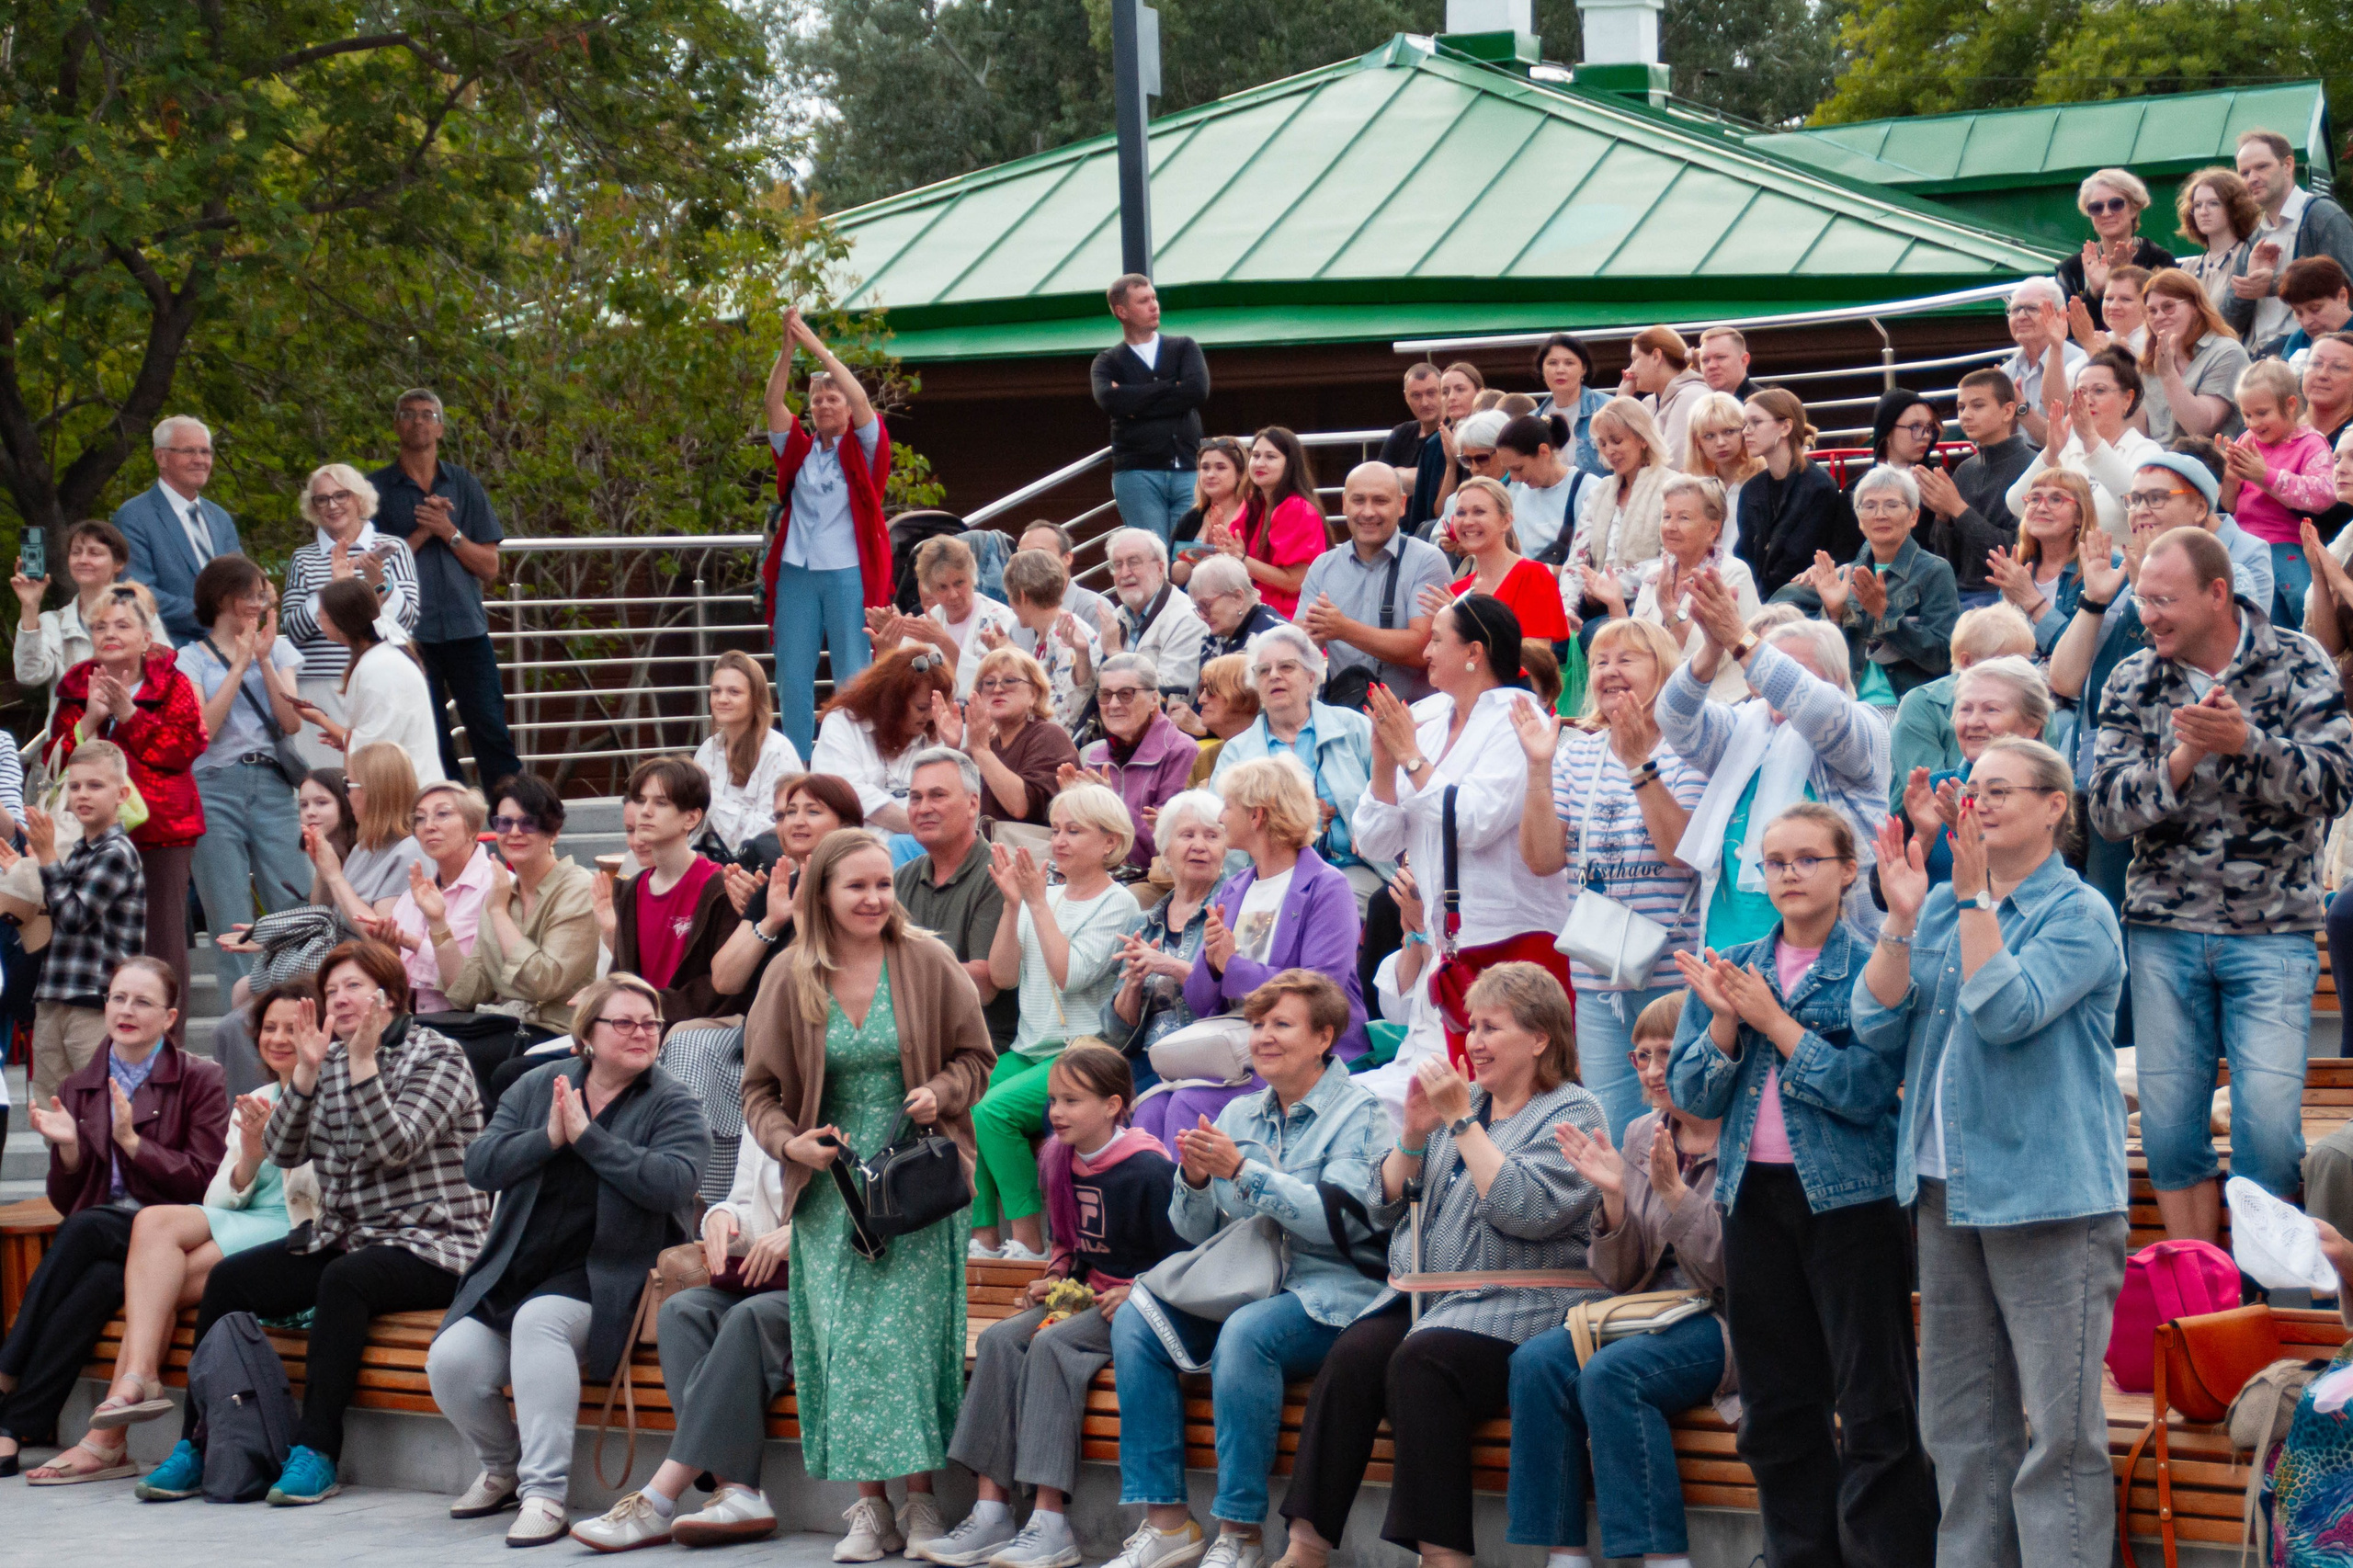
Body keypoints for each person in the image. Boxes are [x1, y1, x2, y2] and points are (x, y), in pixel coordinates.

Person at [1861, 739, 2127, 1567]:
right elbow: (1875, 1026)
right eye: (1972, 789)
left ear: (2056, 805)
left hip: (2050, 1199)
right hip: (1945, 1192)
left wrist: (1972, 900)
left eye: (2002, 789)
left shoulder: (2078, 914)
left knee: (2058, 1441)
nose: (1980, 802)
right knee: (1962, 1431)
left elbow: (2006, 1011)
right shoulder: (1943, 905)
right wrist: (1903, 919)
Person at [1665, 803, 1934, 1566]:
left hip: (1852, 1204)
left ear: (1850, 870)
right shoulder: (1735, 962)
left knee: (1875, 1402)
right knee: (1777, 1407)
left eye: (1808, 858)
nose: (1788, 873)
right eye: (1775, 860)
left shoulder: (1871, 962)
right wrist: (1723, 1023)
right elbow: (1692, 1096)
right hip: (1753, 1199)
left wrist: (1774, 1023)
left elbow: (1863, 1090)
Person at [138, 940, 489, 1506]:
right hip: (349, 1236)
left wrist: (364, 1063)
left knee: (345, 1279)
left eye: (354, 986)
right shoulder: (326, 1059)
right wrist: (303, 1073)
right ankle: (200, 1442)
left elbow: (394, 1146)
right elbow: (282, 1148)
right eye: (331, 991)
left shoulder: (437, 1056)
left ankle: (317, 1450)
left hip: (438, 1243)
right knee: (230, 1281)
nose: (340, 999)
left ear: (392, 995)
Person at [1277, 964, 1606, 1568]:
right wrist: (1411, 1134)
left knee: (1421, 1363)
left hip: (1522, 1304)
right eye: (1470, 1026)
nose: (1473, 1041)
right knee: (1352, 1356)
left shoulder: (1574, 1110)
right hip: (1428, 1296)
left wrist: (1459, 1123)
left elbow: (1524, 1210)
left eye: (1491, 1028)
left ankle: (1445, 1558)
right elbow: (1383, 1204)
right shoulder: (1466, 1100)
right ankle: (1306, 1547)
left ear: (1539, 1039)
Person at [2088, 526, 2353, 1238]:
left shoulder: (2300, 663)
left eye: (2165, 599)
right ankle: (2200, 1309)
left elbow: (2336, 784)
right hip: (2163, 932)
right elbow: (2107, 809)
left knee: (2268, 1140)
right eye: (2143, 600)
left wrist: (2246, 746)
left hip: (2273, 932)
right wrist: (2179, 760)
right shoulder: (2133, 677)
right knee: (2172, 1139)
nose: (2150, 616)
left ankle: (2258, 1312)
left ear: (2217, 593)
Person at [740, 828, 996, 1561]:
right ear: (821, 892)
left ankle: (920, 1506)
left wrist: (939, 1091)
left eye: (884, 884)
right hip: (832, 1191)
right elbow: (756, 1089)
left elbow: (978, 1058)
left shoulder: (927, 960)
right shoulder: (788, 974)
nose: (875, 898)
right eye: (857, 885)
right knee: (849, 1348)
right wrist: (789, 1144)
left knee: (910, 1346)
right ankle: (868, 1508)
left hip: (916, 1184)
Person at [1101, 970, 1387, 1568]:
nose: (1263, 1037)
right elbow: (1196, 1231)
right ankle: (1168, 1523)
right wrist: (1197, 1180)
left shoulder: (1363, 1113)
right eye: (1257, 1025)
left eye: (1281, 1024)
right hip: (1242, 1285)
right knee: (1136, 1322)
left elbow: (1344, 1223)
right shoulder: (1236, 1117)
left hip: (1330, 1293)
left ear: (1324, 1037)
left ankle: (1239, 1533)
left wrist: (1243, 1173)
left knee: (1247, 1333)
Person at [426, 976, 708, 1545]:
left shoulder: (672, 1100)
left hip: (612, 1276)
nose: (642, 1033)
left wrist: (591, 1140)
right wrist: (550, 1138)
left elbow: (676, 1183)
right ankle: (503, 1466)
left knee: (540, 1322)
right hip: (518, 1267)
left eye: (650, 1023)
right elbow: (481, 1164)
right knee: (451, 1361)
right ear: (587, 1035)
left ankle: (545, 1495)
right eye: (624, 1022)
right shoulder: (538, 1088)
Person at [925, 1045, 1189, 1568]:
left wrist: (1137, 1290)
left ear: (1114, 1104)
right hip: (1090, 1297)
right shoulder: (1057, 1158)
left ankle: (1049, 1521)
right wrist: (1054, 1276)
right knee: (999, 1339)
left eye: (1071, 1100)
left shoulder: (1150, 1169)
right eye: (1052, 1100)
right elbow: (1068, 1244)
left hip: (1139, 1308)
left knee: (1050, 1344)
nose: (1056, 1113)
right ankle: (991, 1510)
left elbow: (1183, 1259)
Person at [52, 983, 319, 1476]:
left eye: (293, 1028)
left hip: (297, 1227)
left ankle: (107, 1437)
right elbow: (219, 1196)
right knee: (153, 1223)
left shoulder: (334, 1094)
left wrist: (275, 1153)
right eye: (269, 1027)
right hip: (242, 1219)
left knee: (159, 1287)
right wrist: (252, 1156)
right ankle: (140, 1377)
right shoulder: (259, 1097)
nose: (279, 1038)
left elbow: (317, 1196)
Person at [1519, 990, 1732, 1568]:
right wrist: (1614, 1199)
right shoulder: (1641, 1132)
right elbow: (1620, 1278)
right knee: (1537, 1363)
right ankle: (1565, 1556)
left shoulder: (1741, 1132)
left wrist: (1673, 1195)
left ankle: (1662, 1560)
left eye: (1668, 1052)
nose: (1654, 1069)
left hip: (1726, 1319)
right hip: (1645, 1312)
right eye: (1641, 1056)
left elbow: (1732, 1272)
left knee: (1615, 1376)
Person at [0, 956, 223, 1479]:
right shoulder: (81, 1083)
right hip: (104, 1241)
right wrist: (71, 1152)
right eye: (118, 999)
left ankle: (6, 1369)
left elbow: (207, 1180)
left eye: (143, 1002)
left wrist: (132, 1144)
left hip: (171, 1231)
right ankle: (14, 1425)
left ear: (169, 1018)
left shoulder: (200, 1079)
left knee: (83, 1229)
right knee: (96, 1284)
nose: (127, 1011)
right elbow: (68, 1198)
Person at [1513, 617, 1705, 1138]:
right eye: (1600, 661)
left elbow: (1680, 853)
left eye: (1627, 659)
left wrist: (1639, 760)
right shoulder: (1578, 756)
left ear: (1663, 669)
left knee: (1681, 1117)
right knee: (1612, 1130)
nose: (1610, 672)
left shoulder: (1691, 749)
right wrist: (1539, 768)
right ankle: (1624, 1221)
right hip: (1598, 976)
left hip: (1672, 972)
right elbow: (1542, 859)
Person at [1357, 596, 1574, 1056]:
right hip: (1448, 949)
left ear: (1474, 652)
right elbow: (1375, 842)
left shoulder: (1520, 719)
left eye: (1437, 640)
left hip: (1512, 942)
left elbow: (1474, 821)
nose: (1426, 652)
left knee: (1500, 1100)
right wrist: (1383, 762)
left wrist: (1410, 758)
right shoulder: (1427, 719)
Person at [570, 1128, 794, 1552]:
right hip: (768, 1281)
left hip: (832, 1288)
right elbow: (747, 1204)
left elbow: (872, 1214)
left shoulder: (848, 1097)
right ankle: (737, 1490)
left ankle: (658, 1498)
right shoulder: (766, 1108)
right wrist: (722, 1218)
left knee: (746, 1319)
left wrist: (804, 1235)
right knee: (680, 1311)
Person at [1660, 585, 1891, 944]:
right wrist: (1713, 647)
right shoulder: (1745, 728)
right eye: (1763, 667)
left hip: (1831, 960)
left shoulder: (1863, 726)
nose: (1769, 680)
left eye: (1792, 668)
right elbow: (1673, 718)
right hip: (1729, 949)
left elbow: (1816, 707)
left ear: (1838, 679)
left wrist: (1741, 637)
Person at [973, 786, 1144, 1260]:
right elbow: (1004, 976)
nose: (1061, 841)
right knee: (967, 1098)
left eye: (1074, 830)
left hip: (1080, 1051)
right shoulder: (1039, 897)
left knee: (994, 1110)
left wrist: (1038, 905)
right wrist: (1014, 906)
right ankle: (984, 1235)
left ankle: (1029, 1240)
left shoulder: (1118, 902)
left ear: (1109, 843)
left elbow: (1069, 976)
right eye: (1056, 830)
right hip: (1030, 1048)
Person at [47, 584, 206, 1015]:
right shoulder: (77, 685)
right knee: (100, 941)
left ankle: (167, 1051)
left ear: (146, 637)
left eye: (122, 625)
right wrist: (90, 720)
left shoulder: (173, 682)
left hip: (162, 831)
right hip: (93, 833)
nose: (109, 634)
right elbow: (56, 761)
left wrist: (130, 716)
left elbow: (183, 750)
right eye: (99, 626)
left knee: (163, 942)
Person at [1181, 755, 1370, 1096]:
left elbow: (1321, 990)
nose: (1220, 817)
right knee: (1153, 1106)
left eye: (1227, 806)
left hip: (1302, 1056)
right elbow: (1196, 1001)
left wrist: (1232, 966)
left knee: (1188, 1103)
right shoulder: (1233, 887)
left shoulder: (1327, 886)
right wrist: (1211, 964)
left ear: (1256, 815)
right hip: (1237, 1049)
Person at [368, 388, 517, 789]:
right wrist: (421, 532)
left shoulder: (464, 484)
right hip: (408, 637)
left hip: (467, 630)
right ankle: (448, 823)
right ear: (396, 424)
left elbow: (489, 567)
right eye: (409, 414)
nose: (419, 421)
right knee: (428, 739)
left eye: (427, 414)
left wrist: (449, 533)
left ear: (441, 428)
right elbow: (369, 570)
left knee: (491, 732)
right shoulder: (373, 490)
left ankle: (514, 819)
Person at [758, 310, 887, 760]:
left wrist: (814, 345)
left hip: (847, 572)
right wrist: (787, 349)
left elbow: (861, 398)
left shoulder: (863, 447)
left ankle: (852, 761)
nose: (825, 405)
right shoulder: (800, 450)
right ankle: (797, 764)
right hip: (797, 571)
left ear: (848, 408)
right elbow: (773, 406)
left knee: (853, 673)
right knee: (793, 675)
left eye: (833, 399)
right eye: (817, 401)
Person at [178, 554, 312, 990]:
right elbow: (204, 730)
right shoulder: (190, 659)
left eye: (262, 595)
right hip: (214, 786)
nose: (258, 603)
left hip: (272, 784)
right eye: (249, 595)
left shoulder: (279, 648)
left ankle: (302, 1000)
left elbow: (291, 723)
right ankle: (242, 1016)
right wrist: (238, 664)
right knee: (229, 912)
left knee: (293, 901)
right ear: (223, 598)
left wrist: (266, 661)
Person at [1212, 625, 1382, 904]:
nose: (1274, 675)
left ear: (1311, 677)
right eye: (1264, 670)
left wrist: (1369, 826)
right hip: (1267, 876)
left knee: (1325, 901)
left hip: (1352, 869)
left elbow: (1389, 792)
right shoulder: (1237, 752)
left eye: (1287, 667)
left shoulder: (1353, 728)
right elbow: (1222, 826)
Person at [24, 743, 147, 1106]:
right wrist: (26, 871)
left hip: (95, 1001)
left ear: (121, 794)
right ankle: (65, 1165)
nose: (82, 795)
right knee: (53, 1108)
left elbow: (74, 917)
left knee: (98, 1109)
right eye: (74, 787)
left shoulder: (117, 853)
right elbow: (53, 914)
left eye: (95, 786)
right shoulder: (79, 849)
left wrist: (47, 858)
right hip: (54, 994)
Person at [279, 462, 422, 767]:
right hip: (319, 687)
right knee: (324, 788)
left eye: (341, 495)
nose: (332, 505)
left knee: (376, 780)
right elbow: (293, 630)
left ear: (359, 498)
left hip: (378, 682)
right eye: (322, 499)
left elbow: (407, 620)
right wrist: (332, 588)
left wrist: (378, 584)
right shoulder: (303, 558)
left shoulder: (392, 548)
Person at [438, 775, 599, 1038]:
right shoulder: (501, 893)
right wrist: (437, 923)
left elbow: (543, 982)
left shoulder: (577, 888)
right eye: (503, 823)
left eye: (528, 823)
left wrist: (500, 914)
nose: (514, 832)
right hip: (503, 1025)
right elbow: (469, 994)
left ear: (554, 832)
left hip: (556, 1032)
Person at [594, 757, 743, 1030]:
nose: (645, 812)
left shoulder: (719, 887)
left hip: (687, 1032)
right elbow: (622, 975)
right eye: (641, 800)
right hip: (633, 1029)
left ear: (692, 817)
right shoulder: (629, 889)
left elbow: (717, 988)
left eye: (661, 803)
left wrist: (644, 1008)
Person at [1797, 464, 1963, 705]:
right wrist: (1833, 614)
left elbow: (1943, 657)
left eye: (1892, 505)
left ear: (1914, 516)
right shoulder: (1845, 575)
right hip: (1850, 704)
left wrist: (1885, 616)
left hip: (1906, 705)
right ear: (1860, 521)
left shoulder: (1934, 571)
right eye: (1870, 506)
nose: (1880, 514)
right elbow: (1825, 663)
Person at [1296, 463, 1451, 707]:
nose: (1368, 512)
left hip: (1417, 717)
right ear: (1344, 503)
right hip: (1347, 715)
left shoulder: (1427, 560)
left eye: (1380, 501)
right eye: (1358, 501)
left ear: (1401, 505)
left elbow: (1422, 648)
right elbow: (1300, 646)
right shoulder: (1322, 567)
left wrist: (1343, 629)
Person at [892, 748, 1017, 1051]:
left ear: (973, 803)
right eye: (915, 797)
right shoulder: (902, 877)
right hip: (908, 1036)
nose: (923, 808)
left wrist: (892, 972)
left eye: (937, 796)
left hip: (978, 1045)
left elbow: (984, 984)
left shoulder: (998, 873)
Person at [1108, 789, 1228, 1101]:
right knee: (1058, 1107)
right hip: (1145, 1057)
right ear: (1165, 848)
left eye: (1212, 836)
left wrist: (1170, 966)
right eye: (1186, 835)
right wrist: (1133, 983)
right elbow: (1118, 1034)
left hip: (1201, 1058)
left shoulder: (1233, 911)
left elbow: (1231, 1001)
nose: (1199, 846)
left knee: (1119, 1108)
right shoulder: (1142, 923)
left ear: (1226, 848)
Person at [290, 578, 449, 787]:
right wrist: (342, 736)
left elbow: (375, 747)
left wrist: (321, 720)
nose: (318, 622)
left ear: (341, 620)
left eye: (322, 616)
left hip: (406, 789)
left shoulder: (381, 666)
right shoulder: (380, 658)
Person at [13, 518, 170, 726]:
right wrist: (30, 605)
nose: (83, 560)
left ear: (119, 563)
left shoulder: (143, 615)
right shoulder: (54, 622)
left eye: (94, 553)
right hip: (72, 742)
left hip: (131, 738)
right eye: (76, 552)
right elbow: (29, 675)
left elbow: (166, 674)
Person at [1095, 275, 1210, 544]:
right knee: (1151, 552)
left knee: (1188, 553)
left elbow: (1196, 391)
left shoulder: (1183, 347)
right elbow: (1111, 402)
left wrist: (1134, 399)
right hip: (1137, 473)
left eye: (1154, 298)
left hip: (1189, 467)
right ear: (1122, 311)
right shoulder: (1107, 361)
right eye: (1144, 301)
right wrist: (1171, 386)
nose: (1154, 305)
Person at [2220, 357, 2336, 625]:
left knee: (2300, 601)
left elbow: (2324, 494)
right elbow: (2231, 505)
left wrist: (2266, 477)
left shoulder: (2310, 443)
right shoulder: (2247, 440)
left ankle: (2315, 655)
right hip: (2243, 543)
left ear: (2290, 405)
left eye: (2262, 413)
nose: (2253, 423)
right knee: (2253, 614)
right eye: (2246, 415)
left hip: (2287, 542)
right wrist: (2229, 479)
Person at [2002, 346, 2163, 537]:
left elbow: (2140, 504)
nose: (2088, 400)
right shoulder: (2069, 450)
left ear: (2127, 399)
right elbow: (2016, 504)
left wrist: (2091, 440)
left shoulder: (2145, 450)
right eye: (2081, 392)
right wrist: (2051, 453)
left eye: (2099, 391)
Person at [1631, 473, 1762, 703]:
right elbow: (1637, 643)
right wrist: (1614, 602)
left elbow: (1714, 655)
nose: (1670, 527)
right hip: (1659, 697)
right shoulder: (1655, 575)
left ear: (1712, 529)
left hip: (1720, 702)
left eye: (1683, 518)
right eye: (1666, 516)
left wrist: (1671, 610)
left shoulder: (1730, 574)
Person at [112, 415, 240, 644]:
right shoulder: (134, 516)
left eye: (205, 451)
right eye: (189, 451)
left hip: (230, 652)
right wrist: (214, 615)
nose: (200, 459)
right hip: (170, 655)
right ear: (160, 457)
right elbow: (138, 593)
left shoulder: (220, 519)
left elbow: (241, 582)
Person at [1886, 605, 2043, 790]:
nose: (2020, 674)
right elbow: (1932, 794)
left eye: (2024, 663)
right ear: (1967, 663)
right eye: (2007, 664)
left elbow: (2044, 776)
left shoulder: (2031, 700)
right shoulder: (1920, 704)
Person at [810, 644, 959, 835]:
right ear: (892, 703)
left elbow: (951, 807)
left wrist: (952, 748)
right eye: (921, 708)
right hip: (856, 847)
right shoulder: (842, 723)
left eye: (935, 707)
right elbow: (846, 796)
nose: (930, 716)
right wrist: (920, 828)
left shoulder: (937, 728)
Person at [2229, 129, 2353, 357]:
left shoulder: (2323, 216)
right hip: (2258, 358)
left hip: (2309, 355)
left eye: (2262, 167)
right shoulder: (2256, 234)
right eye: (2244, 173)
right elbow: (2230, 320)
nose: (2252, 178)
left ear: (2287, 165)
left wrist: (2273, 285)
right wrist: (2248, 287)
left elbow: (2346, 287)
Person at [1919, 369, 2034, 607]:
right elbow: (1946, 560)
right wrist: (1944, 517)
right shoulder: (1965, 470)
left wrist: (1957, 508)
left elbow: (2016, 552)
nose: (1966, 415)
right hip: (1956, 594)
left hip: (2004, 597)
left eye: (1978, 406)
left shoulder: (2033, 467)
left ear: (2008, 411)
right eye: (1961, 408)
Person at [384, 780, 495, 1020]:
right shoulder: (412, 895)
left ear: (472, 825)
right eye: (420, 819)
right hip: (410, 1020)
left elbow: (481, 983)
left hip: (471, 1021)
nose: (429, 826)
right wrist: (389, 949)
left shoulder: (497, 885)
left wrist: (414, 944)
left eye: (442, 814)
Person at [1077, 652, 1199, 872]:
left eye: (1126, 694)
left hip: (1151, 880)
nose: (1113, 704)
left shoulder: (1180, 751)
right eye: (1105, 694)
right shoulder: (1095, 757)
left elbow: (1165, 843)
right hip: (1100, 875)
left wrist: (1110, 809)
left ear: (1154, 699)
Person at [1735, 389, 1859, 600]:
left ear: (1785, 427)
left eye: (1755, 422)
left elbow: (1797, 560)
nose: (1746, 431)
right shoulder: (1751, 489)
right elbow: (1744, 556)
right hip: (1760, 597)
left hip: (1799, 598)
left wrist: (1755, 602)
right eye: (1745, 424)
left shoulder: (1818, 486)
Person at [938, 644, 1078, 827]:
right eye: (988, 683)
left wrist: (981, 750)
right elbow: (946, 809)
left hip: (1031, 851)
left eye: (1010, 680)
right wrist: (952, 748)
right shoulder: (979, 747)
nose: (997, 689)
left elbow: (1020, 806)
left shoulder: (1048, 736)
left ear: (1033, 694)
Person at [1985, 463, 2106, 656]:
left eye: (2056, 499)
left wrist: (2030, 598)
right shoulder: (2019, 567)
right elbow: (2002, 650)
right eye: (2034, 499)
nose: (2041, 507)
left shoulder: (2099, 568)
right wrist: (2008, 602)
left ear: (2080, 515)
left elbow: (2078, 656)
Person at [1440, 476, 1574, 649]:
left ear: (1506, 521)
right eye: (1460, 513)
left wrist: (1465, 620)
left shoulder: (1532, 576)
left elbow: (1535, 663)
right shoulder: (1457, 590)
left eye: (1479, 511)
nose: (1468, 521)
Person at [1563, 397, 1670, 611]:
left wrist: (1605, 584)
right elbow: (1577, 560)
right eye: (1602, 443)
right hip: (1594, 605)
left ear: (1643, 438)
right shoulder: (1599, 493)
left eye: (1617, 441)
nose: (1609, 450)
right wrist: (1567, 609)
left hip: (1648, 607)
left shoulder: (1672, 487)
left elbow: (1670, 559)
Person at [692, 651, 801, 857]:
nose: (722, 699)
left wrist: (713, 802)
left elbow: (773, 831)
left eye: (734, 692)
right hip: (709, 859)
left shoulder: (776, 750)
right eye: (716, 691)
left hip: (759, 865)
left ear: (755, 699)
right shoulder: (708, 750)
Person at [1206, 427, 1323, 619]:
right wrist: (1217, 541)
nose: (1259, 463)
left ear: (1290, 464)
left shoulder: (1296, 508)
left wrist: (1241, 559)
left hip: (1290, 618)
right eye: (1255, 455)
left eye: (1270, 457)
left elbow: (1295, 582)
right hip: (1257, 609)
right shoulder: (1254, 503)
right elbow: (1233, 550)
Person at [307, 742, 426, 927]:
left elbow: (380, 942)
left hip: (366, 955)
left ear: (373, 791)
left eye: (348, 785)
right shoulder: (366, 846)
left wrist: (335, 877)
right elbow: (320, 914)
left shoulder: (410, 852)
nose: (346, 795)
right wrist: (324, 871)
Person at [889, 535, 1016, 700]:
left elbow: (990, 684)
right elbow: (904, 684)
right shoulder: (925, 623)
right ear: (929, 589)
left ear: (972, 577)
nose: (953, 595)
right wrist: (889, 645)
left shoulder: (999, 618)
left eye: (959, 583)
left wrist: (942, 640)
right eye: (942, 587)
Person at [2142, 267, 2251, 445]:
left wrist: (2168, 375)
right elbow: (2137, 432)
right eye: (2152, 311)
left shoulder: (2227, 353)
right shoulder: (2147, 362)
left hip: (2206, 462)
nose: (2159, 316)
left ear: (2195, 307)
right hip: (2153, 462)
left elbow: (2201, 427)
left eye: (2168, 307)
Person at [995, 549, 1100, 729]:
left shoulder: (1064, 633)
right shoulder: (1048, 632)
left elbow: (1064, 713)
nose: (1010, 605)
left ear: (1021, 595)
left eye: (1008, 596)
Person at [2056, 168, 2175, 325]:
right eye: (2096, 207)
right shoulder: (2070, 269)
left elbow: (2166, 317)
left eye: (2116, 204)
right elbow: (2066, 329)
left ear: (2133, 209)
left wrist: (2126, 276)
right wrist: (2094, 292)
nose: (2106, 213)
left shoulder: (2160, 259)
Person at [1098, 527, 1208, 696]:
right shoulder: (1115, 617)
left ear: (1159, 568)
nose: (1125, 573)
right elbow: (1092, 691)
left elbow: (1171, 696)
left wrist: (1115, 654)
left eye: (1134, 562)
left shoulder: (1187, 618)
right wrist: (1081, 654)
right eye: (1118, 565)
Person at [1998, 278, 2088, 446]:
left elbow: (2066, 445)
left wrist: (2020, 408)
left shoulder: (2082, 365)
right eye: (2015, 309)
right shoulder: (2006, 371)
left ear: (2059, 314)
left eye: (2032, 308)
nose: (2021, 317)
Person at [1493, 411, 1588, 564]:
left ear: (1544, 451)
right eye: (1508, 470)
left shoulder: (1589, 488)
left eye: (1518, 468)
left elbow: (1593, 567)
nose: (1514, 478)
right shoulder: (1522, 495)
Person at [1409, 362, 1486, 530]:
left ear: (1480, 393)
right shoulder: (1434, 444)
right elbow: (1438, 513)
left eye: (1460, 389)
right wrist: (1451, 465)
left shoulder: (1493, 437)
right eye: (1445, 392)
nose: (1451, 397)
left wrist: (1462, 457)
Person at [1682, 392, 1759, 555]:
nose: (1720, 442)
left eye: (1729, 431)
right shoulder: (1691, 487)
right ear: (1697, 442)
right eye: (1709, 436)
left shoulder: (1763, 479)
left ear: (1744, 431)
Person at [2175, 165, 2260, 313]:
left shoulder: (2250, 256)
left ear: (2235, 207)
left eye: (2214, 203)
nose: (2203, 212)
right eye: (2197, 205)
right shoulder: (2188, 268)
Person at [1014, 521, 1113, 645]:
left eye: (1039, 554)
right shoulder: (1018, 621)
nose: (1028, 563)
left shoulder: (1094, 609)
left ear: (1067, 558)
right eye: (1022, 555)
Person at [1166, 652, 1259, 782]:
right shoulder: (1205, 759)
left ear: (1242, 694)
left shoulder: (1276, 749)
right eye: (1201, 690)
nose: (1201, 700)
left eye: (1210, 690)